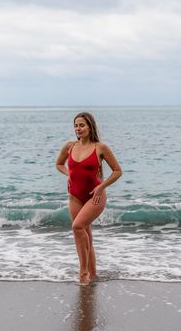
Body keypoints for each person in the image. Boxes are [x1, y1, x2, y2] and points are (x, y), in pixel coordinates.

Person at [55, 112, 122, 285]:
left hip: (95, 196)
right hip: (75, 196)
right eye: (76, 126)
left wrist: (101, 186)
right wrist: (68, 173)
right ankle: (93, 276)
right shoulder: (69, 146)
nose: (78, 129)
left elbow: (117, 171)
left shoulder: (100, 147)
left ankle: (83, 272)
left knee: (77, 227)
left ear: (90, 126)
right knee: (86, 235)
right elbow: (59, 164)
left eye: (82, 125)